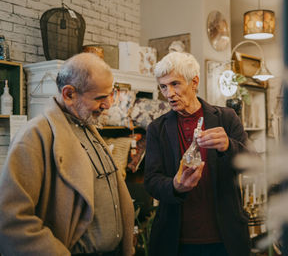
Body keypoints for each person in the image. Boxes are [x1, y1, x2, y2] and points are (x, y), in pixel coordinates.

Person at [0, 53, 135, 256]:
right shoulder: (34, 136)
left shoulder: (87, 125)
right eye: (100, 97)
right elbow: (11, 220)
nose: (109, 104)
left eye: (111, 94)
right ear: (69, 94)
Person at [144, 52, 251, 256]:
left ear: (194, 82)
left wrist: (229, 146)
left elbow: (253, 164)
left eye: (175, 84)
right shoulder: (156, 129)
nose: (169, 94)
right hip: (176, 242)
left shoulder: (226, 118)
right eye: (163, 86)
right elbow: (151, 181)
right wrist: (175, 186)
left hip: (225, 240)